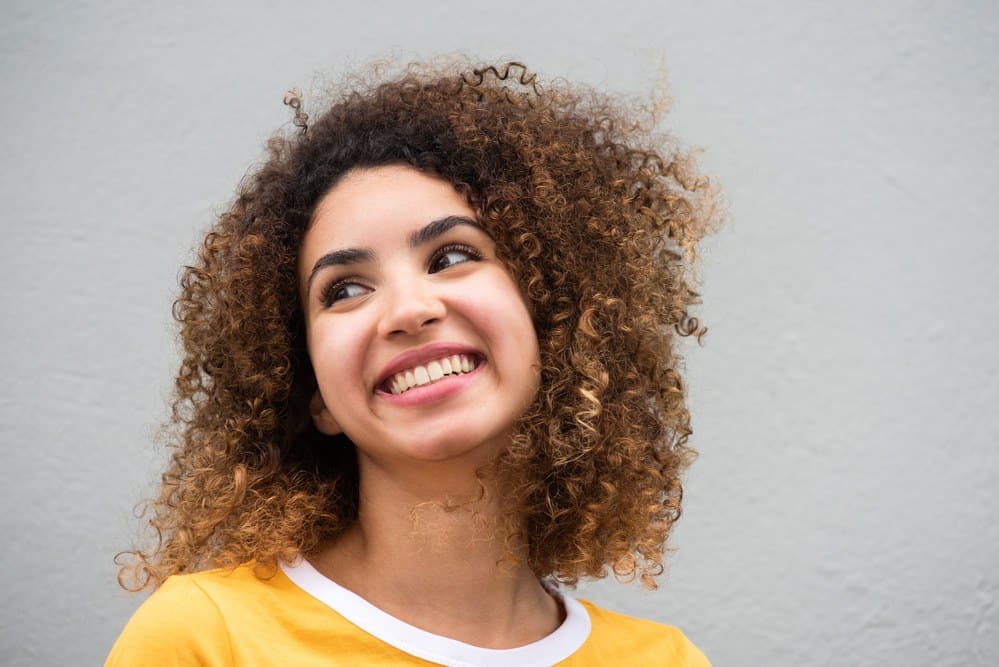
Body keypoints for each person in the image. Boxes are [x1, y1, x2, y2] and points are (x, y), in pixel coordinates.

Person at [106, 59, 718, 666]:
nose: (407, 310)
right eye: (344, 290)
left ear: (551, 315)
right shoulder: (203, 638)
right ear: (315, 394)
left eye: (451, 256)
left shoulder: (666, 660)